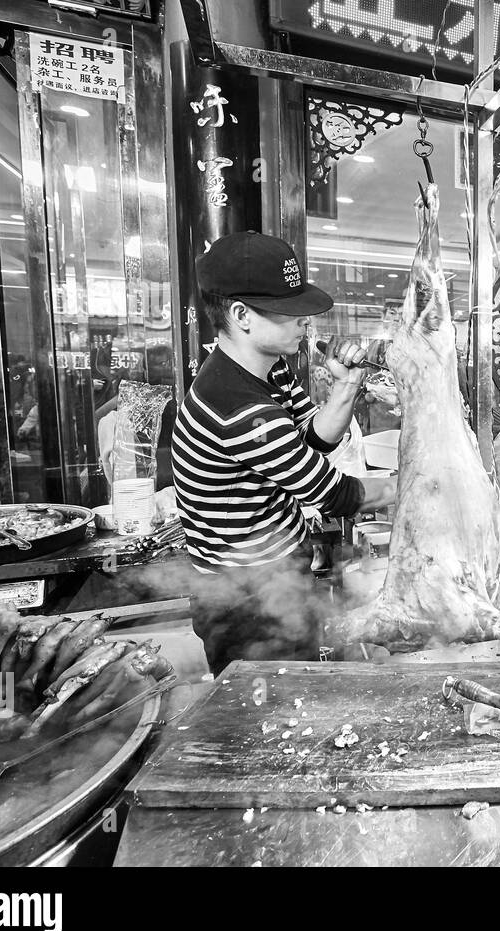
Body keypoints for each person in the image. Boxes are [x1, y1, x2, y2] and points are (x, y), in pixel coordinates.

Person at [173, 231, 397, 672]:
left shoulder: (269, 369)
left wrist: (348, 384)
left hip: (281, 577)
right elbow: (332, 494)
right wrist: (421, 486)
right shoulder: (237, 407)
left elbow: (314, 439)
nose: (305, 322)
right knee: (267, 729)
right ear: (241, 315)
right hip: (246, 604)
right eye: (290, 312)